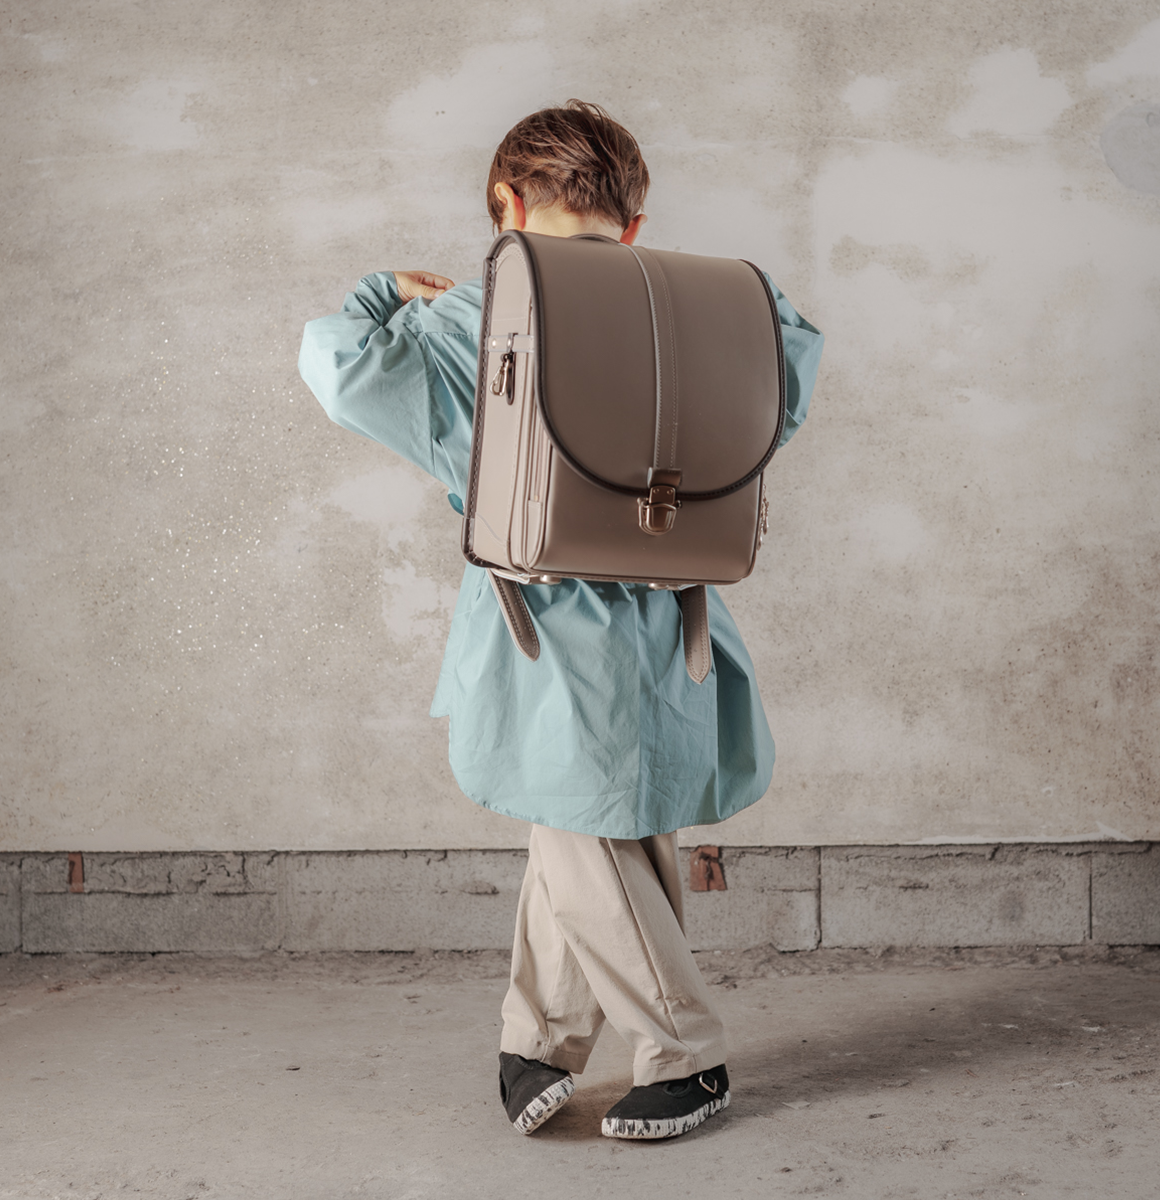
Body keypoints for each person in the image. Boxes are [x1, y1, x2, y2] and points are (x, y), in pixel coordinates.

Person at [298, 100, 824, 1141]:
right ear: (634, 221)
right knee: (606, 824)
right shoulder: (709, 311)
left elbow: (341, 365)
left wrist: (382, 291)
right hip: (675, 612)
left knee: (583, 828)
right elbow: (791, 362)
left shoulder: (475, 321)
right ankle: (538, 1039)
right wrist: (687, 290)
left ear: (506, 202)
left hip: (542, 619)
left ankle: (686, 1055)